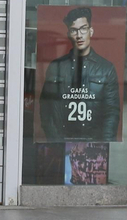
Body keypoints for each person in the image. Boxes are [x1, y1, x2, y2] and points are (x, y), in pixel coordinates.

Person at [38, 7, 120, 141]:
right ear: (69, 34)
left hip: (94, 143)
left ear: (91, 31)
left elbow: (111, 113)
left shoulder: (106, 69)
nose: (79, 35)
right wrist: (55, 141)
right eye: (74, 30)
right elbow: (46, 108)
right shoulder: (56, 67)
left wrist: (104, 145)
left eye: (83, 29)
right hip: (61, 140)